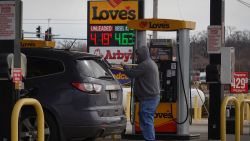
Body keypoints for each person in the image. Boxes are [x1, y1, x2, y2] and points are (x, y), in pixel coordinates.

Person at [121, 46, 160, 141]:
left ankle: (150, 139)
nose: (137, 58)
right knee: (146, 120)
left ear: (142, 55)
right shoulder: (150, 63)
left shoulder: (145, 65)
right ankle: (149, 138)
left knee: (146, 121)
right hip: (151, 98)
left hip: (149, 99)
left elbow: (131, 74)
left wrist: (124, 66)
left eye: (138, 56)